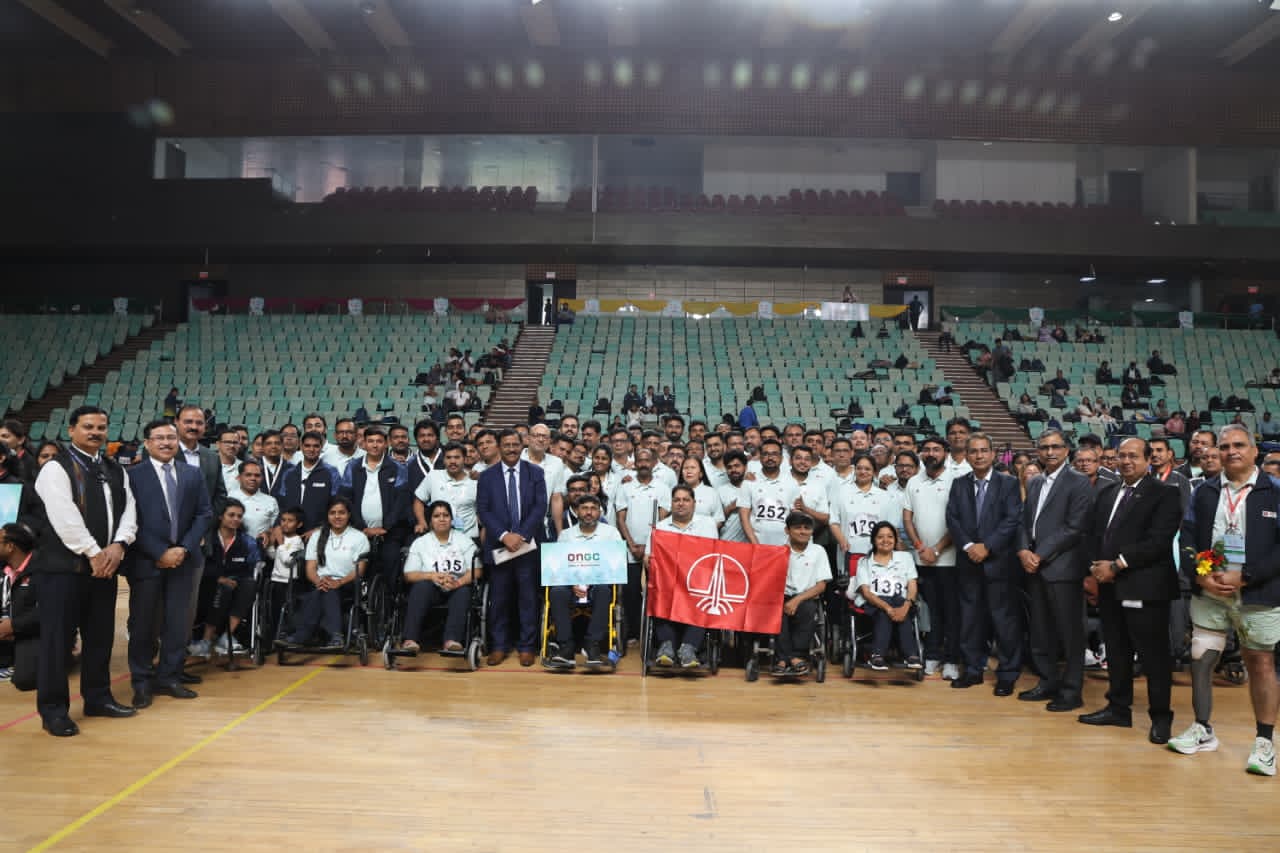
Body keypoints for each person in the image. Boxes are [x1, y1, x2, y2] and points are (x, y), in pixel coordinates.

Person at [1168, 424, 1279, 776]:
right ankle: (1203, 728)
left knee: (1260, 663)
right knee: (1201, 658)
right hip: (1210, 589)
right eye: (1226, 446)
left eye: (1239, 445)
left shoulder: (1274, 490)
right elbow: (1186, 536)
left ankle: (1264, 742)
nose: (1232, 451)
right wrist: (1198, 575)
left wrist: (1246, 576)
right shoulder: (1204, 491)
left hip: (1257, 591)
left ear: (1254, 451)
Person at [33, 406, 139, 737]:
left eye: (101, 427)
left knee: (100, 638)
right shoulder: (55, 468)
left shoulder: (115, 469)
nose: (95, 432)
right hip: (63, 571)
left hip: (104, 568)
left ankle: (97, 698)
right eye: (88, 426)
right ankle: (53, 711)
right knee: (57, 643)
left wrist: (119, 544)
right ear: (71, 430)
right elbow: (64, 518)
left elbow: (130, 510)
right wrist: (95, 553)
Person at [1077, 437, 1182, 744]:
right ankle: (1118, 708)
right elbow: (1093, 534)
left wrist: (1117, 565)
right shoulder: (1108, 492)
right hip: (1110, 586)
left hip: (1145, 586)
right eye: (1121, 456)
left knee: (1154, 656)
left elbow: (1158, 540)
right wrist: (1095, 567)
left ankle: (1161, 717)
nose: (1126, 461)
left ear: (1148, 460)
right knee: (1117, 650)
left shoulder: (1165, 493)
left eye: (1133, 456)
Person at [121, 419, 213, 706]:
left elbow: (204, 514)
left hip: (184, 560)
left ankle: (170, 677)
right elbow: (130, 520)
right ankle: (141, 681)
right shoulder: (132, 476)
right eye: (159, 438)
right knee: (143, 625)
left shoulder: (192, 473)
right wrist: (159, 552)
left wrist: (183, 549)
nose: (165, 443)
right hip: (147, 561)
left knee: (178, 624)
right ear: (147, 443)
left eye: (170, 438)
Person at [1015, 429, 1094, 712]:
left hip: (1063, 567)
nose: (1050, 452)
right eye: (1044, 447)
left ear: (1066, 450)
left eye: (1055, 447)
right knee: (1041, 631)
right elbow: (1024, 522)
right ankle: (1047, 681)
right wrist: (1023, 550)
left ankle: (1071, 691)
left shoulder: (1078, 481)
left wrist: (1039, 554)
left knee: (1070, 633)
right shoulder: (1035, 482)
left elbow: (1074, 527)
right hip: (1035, 567)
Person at [945, 432, 1025, 694]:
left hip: (1000, 563)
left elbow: (1012, 520)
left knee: (1004, 620)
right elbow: (952, 519)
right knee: (970, 619)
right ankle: (972, 670)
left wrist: (987, 546)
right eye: (973, 451)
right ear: (966, 456)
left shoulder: (1008, 483)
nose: (978, 456)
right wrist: (969, 546)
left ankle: (1008, 674)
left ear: (992, 454)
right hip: (969, 562)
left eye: (983, 451)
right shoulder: (959, 484)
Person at [475, 429, 548, 666]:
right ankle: (499, 646)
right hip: (499, 547)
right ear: (499, 447)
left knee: (528, 598)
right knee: (499, 599)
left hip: (528, 547)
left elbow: (540, 507)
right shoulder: (487, 476)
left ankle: (526, 647)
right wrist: (505, 535)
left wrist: (521, 535)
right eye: (506, 445)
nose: (511, 449)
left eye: (515, 444)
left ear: (522, 445)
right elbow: (484, 510)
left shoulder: (535, 472)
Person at [902, 436, 958, 678]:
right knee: (930, 611)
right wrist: (919, 546)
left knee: (951, 612)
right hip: (921, 559)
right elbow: (907, 518)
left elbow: (959, 521)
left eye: (936, 449)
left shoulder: (957, 480)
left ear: (946, 453)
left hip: (950, 560)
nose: (931, 453)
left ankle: (952, 660)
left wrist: (936, 549)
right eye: (926, 450)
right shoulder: (914, 481)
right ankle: (933, 655)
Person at [645, 484, 718, 668]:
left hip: (697, 582)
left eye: (686, 500)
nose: (681, 503)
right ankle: (666, 646)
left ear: (694, 503)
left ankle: (689, 648)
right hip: (668, 583)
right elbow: (647, 559)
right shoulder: (660, 527)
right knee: (658, 594)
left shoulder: (707, 524)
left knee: (705, 597)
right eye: (676, 500)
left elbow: (712, 556)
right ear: (671, 503)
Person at [545, 493, 621, 670]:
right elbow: (560, 565)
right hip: (571, 584)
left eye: (593, 509)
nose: (589, 512)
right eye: (584, 508)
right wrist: (572, 584)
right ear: (577, 511)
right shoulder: (566, 535)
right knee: (556, 592)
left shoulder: (611, 533)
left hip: (599, 584)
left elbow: (615, 564)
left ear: (599, 512)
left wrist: (591, 582)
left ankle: (592, 644)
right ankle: (566, 647)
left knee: (604, 591)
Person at [288, 497, 369, 647]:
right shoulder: (317, 536)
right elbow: (310, 569)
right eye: (332, 513)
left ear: (349, 514)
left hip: (348, 584)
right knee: (325, 590)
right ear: (327, 515)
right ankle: (335, 635)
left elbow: (360, 570)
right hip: (320, 583)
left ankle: (303, 634)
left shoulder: (359, 537)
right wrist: (319, 581)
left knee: (327, 591)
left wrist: (338, 582)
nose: (337, 516)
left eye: (341, 512)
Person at [400, 500, 479, 655]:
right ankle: (410, 639)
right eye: (437, 516)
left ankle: (452, 641)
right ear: (430, 521)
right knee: (421, 587)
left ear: (451, 519)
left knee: (463, 592)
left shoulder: (464, 541)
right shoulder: (420, 543)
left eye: (445, 515)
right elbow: (409, 574)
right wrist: (432, 576)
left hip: (457, 586)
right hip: (431, 588)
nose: (442, 519)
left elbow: (477, 570)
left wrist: (459, 582)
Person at [188, 499, 261, 660]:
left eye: (239, 516)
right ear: (221, 516)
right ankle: (206, 640)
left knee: (250, 585)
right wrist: (218, 578)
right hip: (209, 584)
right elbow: (200, 565)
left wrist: (234, 579)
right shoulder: (207, 538)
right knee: (223, 589)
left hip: (237, 582)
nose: (236, 519)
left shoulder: (247, 541)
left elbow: (252, 568)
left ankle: (226, 637)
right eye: (231, 515)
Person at [615, 448, 671, 643]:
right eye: (640, 460)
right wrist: (632, 545)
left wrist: (647, 547)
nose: (644, 464)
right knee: (630, 592)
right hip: (630, 549)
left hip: (654, 549)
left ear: (654, 463)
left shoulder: (662, 488)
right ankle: (635, 632)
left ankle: (654, 634)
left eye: (647, 460)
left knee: (656, 591)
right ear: (635, 463)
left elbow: (662, 520)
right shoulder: (625, 487)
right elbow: (620, 519)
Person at [340, 425, 408, 583]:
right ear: (364, 443)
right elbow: (346, 499)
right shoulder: (353, 467)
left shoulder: (398, 467)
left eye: (379, 441)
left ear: (386, 444)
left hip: (390, 532)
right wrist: (362, 527)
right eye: (370, 441)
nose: (375, 445)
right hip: (358, 530)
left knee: (390, 562)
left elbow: (401, 501)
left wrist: (385, 527)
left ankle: (389, 596)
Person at [852, 521, 921, 671]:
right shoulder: (864, 562)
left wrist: (906, 606)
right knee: (884, 610)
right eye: (880, 537)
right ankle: (879, 655)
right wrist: (887, 608)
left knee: (901, 606)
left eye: (890, 536)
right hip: (874, 602)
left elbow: (912, 585)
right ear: (873, 540)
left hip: (900, 601)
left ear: (895, 540)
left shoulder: (905, 557)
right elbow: (866, 592)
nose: (885, 540)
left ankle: (909, 656)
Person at [773, 511, 831, 676]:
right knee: (776, 611)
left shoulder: (818, 551)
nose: (803, 531)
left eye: (807, 528)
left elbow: (821, 586)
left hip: (808, 596)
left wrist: (797, 600)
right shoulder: (779, 551)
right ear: (787, 530)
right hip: (783, 595)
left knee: (807, 609)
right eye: (798, 527)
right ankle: (784, 658)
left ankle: (795, 656)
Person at [274, 431, 340, 535]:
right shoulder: (289, 473)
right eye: (307, 446)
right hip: (290, 533)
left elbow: (336, 505)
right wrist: (278, 526)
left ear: (321, 448)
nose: (311, 449)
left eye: (316, 446)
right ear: (301, 446)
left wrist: (321, 528)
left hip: (319, 533)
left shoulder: (331, 472)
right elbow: (282, 504)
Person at [0, 522, 40, 690]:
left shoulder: (41, 569)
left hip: (31, 631)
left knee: (25, 679)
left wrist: (13, 626)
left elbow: (47, 612)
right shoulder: (4, 568)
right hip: (6, 629)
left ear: (10, 547)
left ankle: (66, 652)